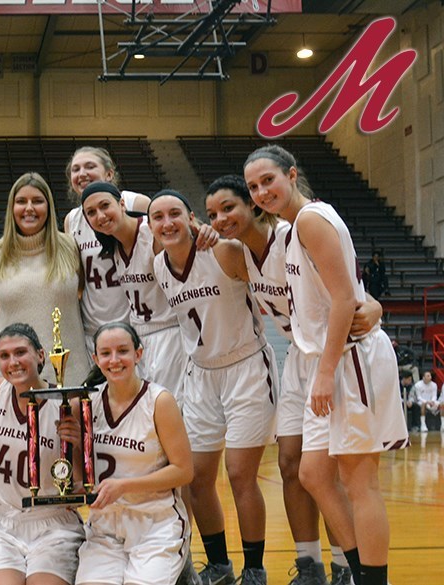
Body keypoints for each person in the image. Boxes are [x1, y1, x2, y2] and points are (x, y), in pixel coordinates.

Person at [205, 174, 383, 585]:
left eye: (229, 207)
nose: (221, 218)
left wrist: (374, 305)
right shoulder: (234, 257)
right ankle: (310, 565)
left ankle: (346, 565)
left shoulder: (293, 233)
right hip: (295, 360)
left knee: (328, 471)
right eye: (213, 213)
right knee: (290, 464)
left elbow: (344, 285)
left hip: (330, 355)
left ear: (253, 205)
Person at [244, 144, 408, 585]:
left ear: (291, 175)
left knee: (360, 482)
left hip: (351, 360)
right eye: (253, 187)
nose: (261, 192)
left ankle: (374, 580)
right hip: (331, 358)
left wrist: (323, 371)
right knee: (313, 473)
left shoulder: (312, 219)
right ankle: (358, 572)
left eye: (268, 181)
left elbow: (343, 300)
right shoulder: (293, 227)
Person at [149, 189, 277, 585]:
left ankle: (254, 569)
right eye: (157, 217)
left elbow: (274, 278)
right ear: (150, 227)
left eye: (175, 214)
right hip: (200, 376)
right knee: (196, 478)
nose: (167, 223)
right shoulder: (158, 265)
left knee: (240, 475)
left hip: (246, 368)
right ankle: (219, 565)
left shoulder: (224, 252)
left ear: (191, 218)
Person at [75, 321, 194, 585]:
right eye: (105, 353)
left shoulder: (159, 401)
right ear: (95, 358)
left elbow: (184, 471)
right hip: (105, 529)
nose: (114, 360)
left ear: (138, 354)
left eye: (123, 351)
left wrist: (125, 486)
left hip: (155, 525)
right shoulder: (86, 403)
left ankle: (181, 566)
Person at [0, 322, 84, 585]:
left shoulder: (67, 404)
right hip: (1, 523)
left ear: (41, 355)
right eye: (4, 355)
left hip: (53, 525)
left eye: (20, 352)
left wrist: (78, 444)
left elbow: (80, 483)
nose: (13, 362)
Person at [78, 181, 188, 401]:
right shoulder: (113, 244)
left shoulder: (152, 231)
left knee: (169, 409)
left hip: (170, 334)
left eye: (104, 206)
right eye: (91, 212)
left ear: (121, 204)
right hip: (140, 338)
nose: (100, 216)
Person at [0, 173, 88, 388]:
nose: (29, 208)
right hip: (10, 374)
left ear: (48, 206)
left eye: (37, 201)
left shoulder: (70, 248)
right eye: (21, 201)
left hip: (70, 372)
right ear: (11, 208)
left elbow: (81, 295)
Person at [63, 147, 151, 353]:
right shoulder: (71, 220)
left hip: (136, 323)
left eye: (90, 166)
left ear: (109, 173)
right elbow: (80, 279)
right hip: (93, 327)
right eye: (75, 169)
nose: (82, 173)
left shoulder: (135, 202)